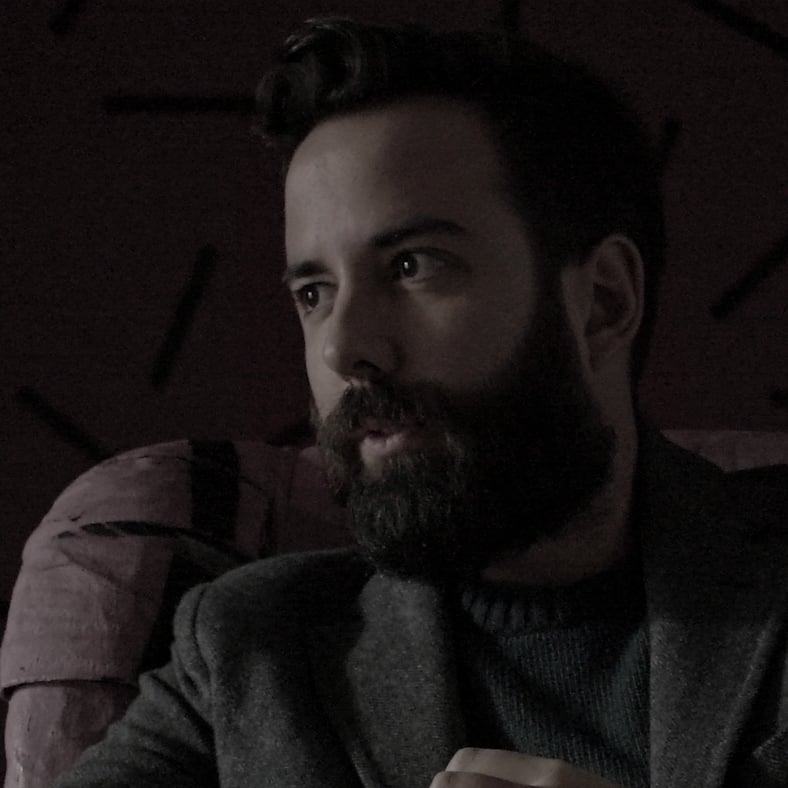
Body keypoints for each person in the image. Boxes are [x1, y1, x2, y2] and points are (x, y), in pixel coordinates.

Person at [50, 16, 788, 788]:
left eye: (412, 265)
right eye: (314, 292)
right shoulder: (249, 649)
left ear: (603, 302)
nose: (343, 349)